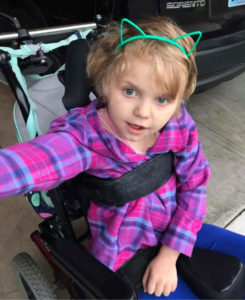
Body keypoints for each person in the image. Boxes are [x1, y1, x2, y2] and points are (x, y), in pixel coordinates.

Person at [0, 16, 244, 299]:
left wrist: (169, 254)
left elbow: (195, 183)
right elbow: (31, 162)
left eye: (162, 99)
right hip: (125, 252)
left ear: (179, 101)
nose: (143, 112)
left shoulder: (177, 123)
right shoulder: (87, 138)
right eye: (130, 91)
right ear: (105, 84)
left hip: (178, 227)